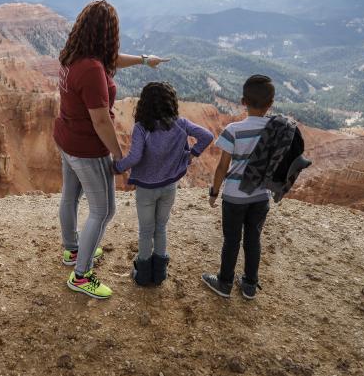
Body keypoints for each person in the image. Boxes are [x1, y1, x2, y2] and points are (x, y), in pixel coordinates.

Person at [54, 0, 169, 299]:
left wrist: (145, 60)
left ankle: (72, 250)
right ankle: (81, 275)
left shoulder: (73, 55)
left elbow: (111, 60)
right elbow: (102, 121)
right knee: (104, 211)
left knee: (70, 197)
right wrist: (120, 156)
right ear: (107, 32)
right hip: (88, 148)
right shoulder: (91, 68)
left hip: (67, 138)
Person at [113, 82, 213, 287]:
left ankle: (142, 275)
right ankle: (159, 274)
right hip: (169, 187)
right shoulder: (181, 124)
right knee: (161, 228)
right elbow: (207, 136)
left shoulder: (141, 128)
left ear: (145, 104)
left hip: (146, 190)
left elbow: (135, 157)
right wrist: (191, 154)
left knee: (145, 231)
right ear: (170, 103)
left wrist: (117, 167)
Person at [202, 75, 276, 300]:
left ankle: (224, 283)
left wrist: (214, 192)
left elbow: (223, 166)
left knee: (231, 241)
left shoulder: (233, 129)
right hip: (261, 195)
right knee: (253, 239)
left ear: (243, 101)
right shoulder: (275, 129)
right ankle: (250, 285)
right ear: (270, 103)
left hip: (234, 197)